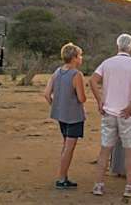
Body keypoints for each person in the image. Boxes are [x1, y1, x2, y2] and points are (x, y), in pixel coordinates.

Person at [90, 33, 131, 198]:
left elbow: (92, 80)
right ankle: (129, 186)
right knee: (129, 150)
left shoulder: (107, 63)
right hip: (127, 114)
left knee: (105, 150)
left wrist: (100, 101)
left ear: (117, 45)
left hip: (108, 111)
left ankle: (98, 185)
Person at [43, 42, 87, 190]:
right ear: (74, 58)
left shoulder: (57, 72)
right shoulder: (76, 75)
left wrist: (57, 105)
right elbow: (81, 98)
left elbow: (46, 94)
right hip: (74, 117)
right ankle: (61, 179)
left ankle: (64, 176)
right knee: (69, 148)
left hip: (61, 115)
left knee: (65, 145)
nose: (81, 58)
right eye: (80, 56)